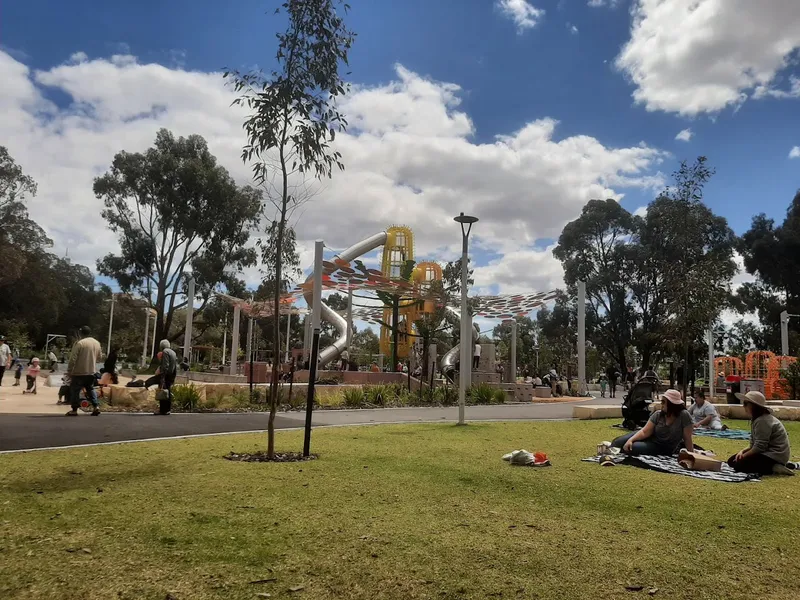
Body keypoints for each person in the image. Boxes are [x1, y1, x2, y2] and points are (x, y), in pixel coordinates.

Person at [727, 391, 793, 476]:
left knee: (739, 466)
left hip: (774, 455)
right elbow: (753, 444)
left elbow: (760, 446)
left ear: (754, 406)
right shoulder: (757, 419)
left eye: (746, 403)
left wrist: (745, 456)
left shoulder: (763, 420)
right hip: (766, 452)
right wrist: (742, 452)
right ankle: (770, 466)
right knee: (732, 461)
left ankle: (774, 467)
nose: (744, 406)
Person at [612, 389, 694, 456]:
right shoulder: (658, 414)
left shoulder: (684, 415)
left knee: (632, 448)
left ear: (672, 404)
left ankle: (618, 450)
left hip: (661, 447)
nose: (661, 404)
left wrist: (691, 455)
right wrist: (631, 440)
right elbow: (645, 431)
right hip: (650, 437)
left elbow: (687, 438)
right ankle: (611, 449)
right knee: (618, 442)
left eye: (663, 402)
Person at [65, 326, 102, 417]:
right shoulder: (96, 343)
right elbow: (100, 357)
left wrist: (69, 371)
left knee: (75, 390)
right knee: (90, 388)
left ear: (81, 333)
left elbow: (73, 358)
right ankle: (96, 406)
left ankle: (74, 410)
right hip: (91, 372)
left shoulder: (80, 343)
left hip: (79, 372)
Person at [155, 339, 178, 415]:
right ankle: (168, 409)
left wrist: (162, 376)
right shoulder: (173, 352)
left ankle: (162, 410)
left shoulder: (165, 352)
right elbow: (175, 366)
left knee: (163, 392)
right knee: (168, 392)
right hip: (172, 375)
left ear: (162, 346)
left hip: (166, 375)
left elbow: (165, 365)